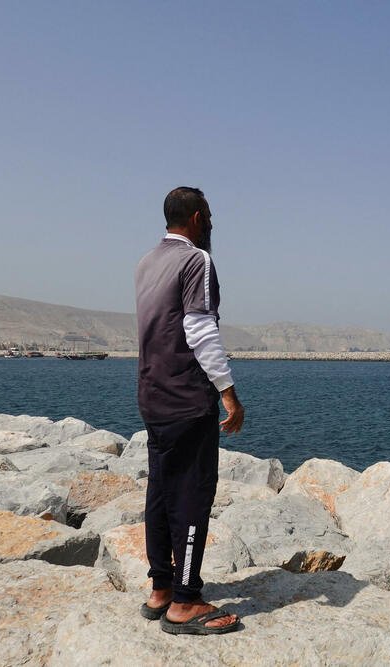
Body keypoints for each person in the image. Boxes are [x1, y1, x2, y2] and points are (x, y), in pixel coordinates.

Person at [134, 186, 245, 635]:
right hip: (186, 398)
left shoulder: (147, 262)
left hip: (152, 395)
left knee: (161, 491)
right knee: (192, 496)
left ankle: (161, 589)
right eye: (210, 217)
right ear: (198, 218)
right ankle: (185, 601)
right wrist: (228, 393)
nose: (212, 224)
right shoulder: (196, 260)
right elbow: (199, 330)